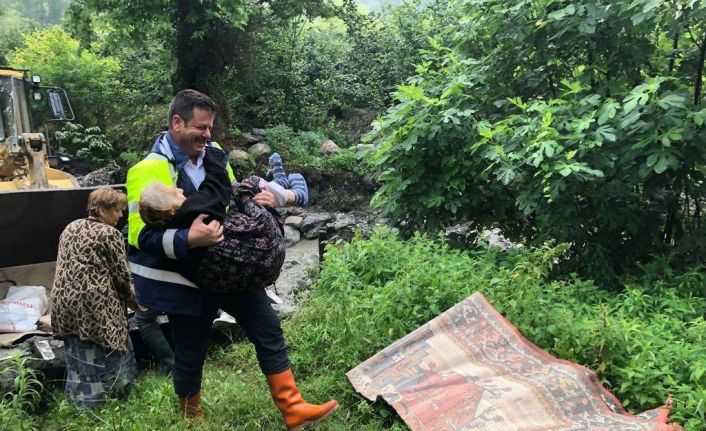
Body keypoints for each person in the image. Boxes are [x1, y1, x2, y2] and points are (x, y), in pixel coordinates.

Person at [126, 89, 337, 428]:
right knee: (191, 351)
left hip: (229, 267)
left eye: (210, 128)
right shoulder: (147, 170)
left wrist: (259, 197)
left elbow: (230, 198)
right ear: (177, 124)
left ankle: (293, 408)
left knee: (267, 326)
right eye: (200, 128)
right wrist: (188, 239)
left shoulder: (215, 154)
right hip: (187, 280)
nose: (207, 135)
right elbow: (140, 237)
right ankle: (190, 418)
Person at [51, 187, 138, 409]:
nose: (121, 215)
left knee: (78, 352)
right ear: (101, 209)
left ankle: (80, 402)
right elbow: (121, 276)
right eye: (117, 210)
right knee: (111, 346)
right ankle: (112, 397)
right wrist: (138, 303)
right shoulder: (110, 234)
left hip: (63, 302)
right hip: (94, 305)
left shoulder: (70, 227)